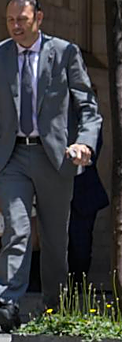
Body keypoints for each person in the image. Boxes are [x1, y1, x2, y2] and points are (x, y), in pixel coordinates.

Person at [0, 0, 101, 331]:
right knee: (16, 229)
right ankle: (8, 302)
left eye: (22, 20)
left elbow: (88, 106)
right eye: (10, 21)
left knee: (53, 238)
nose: (16, 26)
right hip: (13, 155)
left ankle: (55, 306)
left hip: (55, 157)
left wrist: (84, 142)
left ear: (39, 19)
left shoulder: (64, 53)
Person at [68, 120, 108, 285]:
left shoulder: (90, 118)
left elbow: (92, 151)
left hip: (82, 193)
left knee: (80, 247)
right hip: (50, 190)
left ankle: (76, 292)